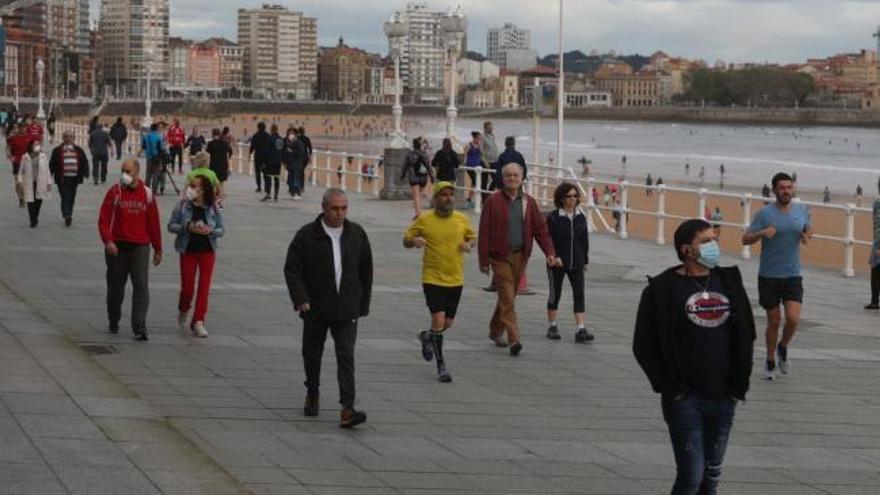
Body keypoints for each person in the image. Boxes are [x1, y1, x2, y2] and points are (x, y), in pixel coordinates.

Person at [633, 219, 755, 495]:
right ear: (687, 250)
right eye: (706, 241)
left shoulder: (729, 281)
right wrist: (670, 387)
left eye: (715, 239)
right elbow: (643, 344)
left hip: (724, 396)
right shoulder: (662, 289)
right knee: (691, 476)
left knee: (711, 477)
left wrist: (738, 385)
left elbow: (746, 331)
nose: (714, 246)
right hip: (685, 398)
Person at [283, 188, 373, 428]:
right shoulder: (306, 235)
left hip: (346, 309)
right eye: (334, 208)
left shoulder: (357, 234)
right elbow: (292, 268)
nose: (339, 213)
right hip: (315, 307)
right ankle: (312, 392)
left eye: (344, 208)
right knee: (312, 353)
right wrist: (300, 297)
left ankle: (347, 408)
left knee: (346, 354)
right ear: (323, 208)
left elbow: (366, 270)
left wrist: (361, 305)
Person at [478, 163, 561, 356]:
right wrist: (483, 260)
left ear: (522, 178)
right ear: (502, 177)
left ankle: (495, 331)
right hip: (500, 257)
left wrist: (550, 252)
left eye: (515, 175)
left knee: (508, 297)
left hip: (521, 256)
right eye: (508, 175)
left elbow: (540, 231)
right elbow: (484, 232)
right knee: (507, 297)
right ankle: (514, 338)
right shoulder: (493, 201)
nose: (512, 178)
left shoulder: (528, 202)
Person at [404, 182, 476, 383]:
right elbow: (406, 238)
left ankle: (426, 337)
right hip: (432, 278)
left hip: (455, 278)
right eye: (444, 195)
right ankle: (441, 365)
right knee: (438, 321)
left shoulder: (461, 219)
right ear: (436, 198)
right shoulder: (425, 220)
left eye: (451, 195)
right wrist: (414, 242)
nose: (448, 198)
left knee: (447, 323)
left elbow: (472, 237)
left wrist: (468, 244)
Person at [742, 172, 812, 381]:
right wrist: (761, 234)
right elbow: (745, 239)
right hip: (769, 275)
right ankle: (770, 360)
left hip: (792, 275)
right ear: (774, 190)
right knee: (774, 321)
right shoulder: (764, 214)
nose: (786, 191)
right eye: (782, 188)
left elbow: (808, 228)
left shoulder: (801, 210)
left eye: (789, 187)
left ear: (793, 189)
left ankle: (783, 346)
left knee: (793, 319)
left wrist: (806, 235)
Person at [98, 158, 162, 340]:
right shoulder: (115, 192)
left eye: (128, 171)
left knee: (141, 286)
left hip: (140, 247)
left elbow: (153, 224)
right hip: (117, 248)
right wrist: (108, 241)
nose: (125, 174)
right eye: (123, 170)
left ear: (137, 172)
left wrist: (158, 249)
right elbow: (103, 219)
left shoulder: (147, 194)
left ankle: (139, 326)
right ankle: (113, 319)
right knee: (116, 289)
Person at [168, 174, 224, 338]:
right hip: (188, 249)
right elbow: (171, 226)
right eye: (190, 185)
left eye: (194, 186)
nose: (190, 188)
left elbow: (222, 229)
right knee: (187, 287)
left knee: (204, 287)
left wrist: (211, 231)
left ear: (203, 190)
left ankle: (198, 321)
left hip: (207, 249)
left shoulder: (214, 207)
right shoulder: (182, 205)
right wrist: (187, 227)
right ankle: (184, 308)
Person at [545, 182, 593, 343]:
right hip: (557, 262)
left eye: (575, 196)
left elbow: (584, 241)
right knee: (555, 294)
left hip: (577, 262)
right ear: (561, 198)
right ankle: (552, 326)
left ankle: (581, 329)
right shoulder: (553, 217)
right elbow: (548, 240)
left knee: (579, 294)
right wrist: (553, 256)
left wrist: (585, 260)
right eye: (569, 196)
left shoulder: (581, 217)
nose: (572, 199)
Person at [48, 130, 89, 227]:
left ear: (74, 138)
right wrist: (48, 175)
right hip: (62, 178)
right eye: (66, 136)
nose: (68, 138)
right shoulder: (57, 150)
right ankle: (67, 215)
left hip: (75, 178)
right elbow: (52, 164)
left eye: (70, 136)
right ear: (63, 138)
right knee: (65, 196)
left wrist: (86, 173)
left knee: (71, 197)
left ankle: (68, 213)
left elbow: (84, 162)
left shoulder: (78, 150)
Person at [17, 140, 52, 228]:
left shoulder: (43, 156)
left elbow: (47, 170)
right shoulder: (25, 157)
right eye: (35, 144)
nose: (38, 146)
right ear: (31, 146)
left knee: (38, 201)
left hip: (41, 182)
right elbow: (21, 171)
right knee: (30, 201)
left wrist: (49, 182)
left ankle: (35, 215)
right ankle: (32, 219)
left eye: (38, 144)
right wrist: (20, 181)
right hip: (29, 182)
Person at [400, 138, 434, 220]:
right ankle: (418, 212)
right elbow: (428, 166)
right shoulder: (424, 154)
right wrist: (431, 176)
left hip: (413, 177)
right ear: (420, 145)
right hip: (423, 177)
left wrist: (403, 175)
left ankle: (418, 213)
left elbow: (405, 166)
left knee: (416, 196)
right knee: (420, 194)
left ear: (413, 145)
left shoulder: (410, 154)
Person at [7, 123, 32, 207]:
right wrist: (11, 157)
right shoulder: (14, 138)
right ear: (19, 128)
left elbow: (35, 148)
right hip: (17, 162)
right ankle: (20, 199)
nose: (22, 129)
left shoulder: (29, 137)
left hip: (27, 162)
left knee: (25, 182)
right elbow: (9, 148)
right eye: (21, 127)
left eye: (24, 127)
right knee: (18, 182)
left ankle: (23, 196)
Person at [206, 128, 232, 204]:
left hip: (213, 165)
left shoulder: (210, 144)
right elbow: (227, 156)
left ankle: (213, 201)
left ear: (212, 134)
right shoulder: (225, 143)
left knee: (213, 184)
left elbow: (208, 156)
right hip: (223, 165)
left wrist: (206, 166)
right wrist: (228, 167)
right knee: (221, 184)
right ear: (219, 134)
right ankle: (220, 202)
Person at [260, 124, 284, 202]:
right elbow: (282, 150)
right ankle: (276, 196)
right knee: (276, 178)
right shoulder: (281, 139)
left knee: (269, 177)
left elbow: (266, 151)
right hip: (278, 162)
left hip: (270, 161)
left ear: (271, 129)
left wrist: (264, 162)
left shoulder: (269, 139)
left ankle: (268, 194)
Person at [141, 123, 165, 193]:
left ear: (150, 129)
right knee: (155, 174)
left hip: (149, 158)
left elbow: (143, 146)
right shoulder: (158, 137)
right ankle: (154, 190)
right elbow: (161, 148)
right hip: (157, 158)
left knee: (148, 174)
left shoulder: (146, 137)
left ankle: (146, 189)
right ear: (157, 128)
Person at [283, 127, 306, 198]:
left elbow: (301, 152)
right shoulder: (288, 142)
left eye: (292, 133)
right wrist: (285, 161)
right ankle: (293, 192)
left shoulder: (298, 142)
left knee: (295, 179)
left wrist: (292, 152)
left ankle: (297, 193)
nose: (290, 134)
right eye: (289, 133)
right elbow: (285, 153)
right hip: (290, 164)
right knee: (289, 179)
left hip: (296, 164)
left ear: (295, 134)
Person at [867, 186, 880, 310]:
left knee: (875, 270)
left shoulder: (877, 204)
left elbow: (877, 226)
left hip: (878, 242)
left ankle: (875, 300)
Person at [249, 122, 271, 193]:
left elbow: (252, 146)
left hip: (258, 156)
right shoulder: (267, 135)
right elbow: (270, 146)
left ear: (258, 127)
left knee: (257, 172)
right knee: (265, 172)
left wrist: (250, 154)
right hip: (266, 156)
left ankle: (259, 187)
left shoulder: (255, 136)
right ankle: (266, 187)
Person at [464, 131, 483, 208]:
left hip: (477, 166)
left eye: (480, 138)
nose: (479, 139)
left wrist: (479, 146)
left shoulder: (479, 145)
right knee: (475, 182)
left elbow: (482, 153)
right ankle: (469, 199)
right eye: (478, 138)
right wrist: (464, 162)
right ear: (474, 138)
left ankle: (470, 199)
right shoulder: (469, 145)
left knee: (474, 183)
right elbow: (465, 153)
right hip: (470, 166)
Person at [480, 121, 498, 193]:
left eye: (491, 127)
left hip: (494, 161)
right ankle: (484, 197)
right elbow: (480, 150)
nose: (491, 129)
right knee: (484, 180)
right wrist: (485, 162)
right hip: (486, 162)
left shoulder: (493, 136)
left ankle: (490, 193)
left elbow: (494, 147)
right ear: (485, 128)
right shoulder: (482, 137)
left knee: (496, 179)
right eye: (489, 128)